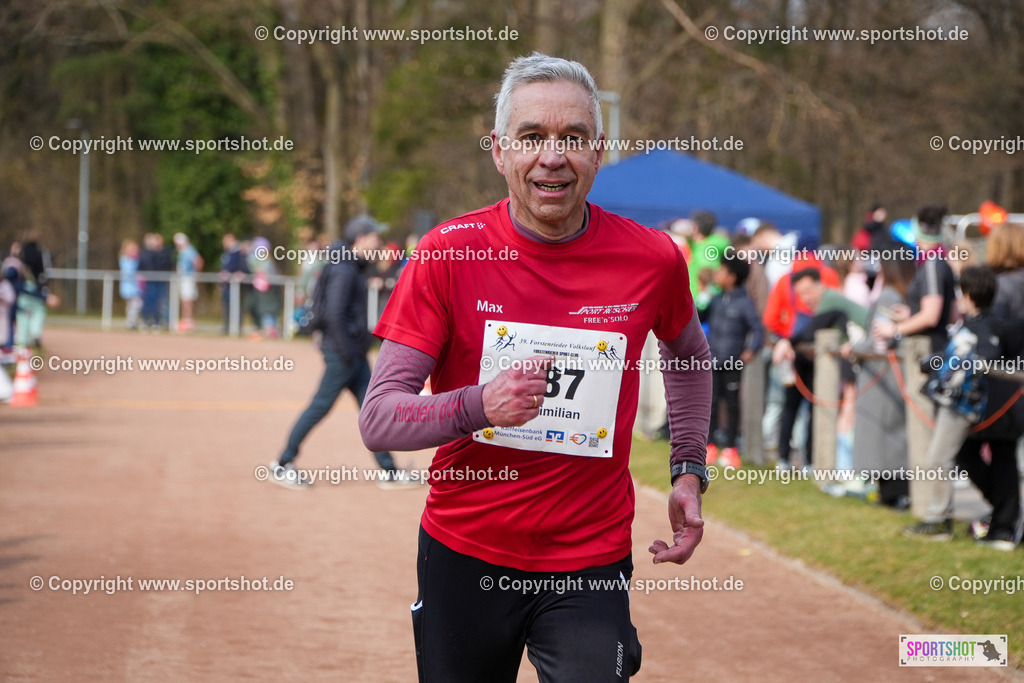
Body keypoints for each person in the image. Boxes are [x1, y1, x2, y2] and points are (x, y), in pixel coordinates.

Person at [358, 53, 711, 682]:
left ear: (599, 150)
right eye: (532, 137)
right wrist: (480, 405)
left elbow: (688, 355)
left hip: (589, 558)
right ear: (499, 151)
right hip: (468, 550)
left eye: (573, 138)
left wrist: (688, 469)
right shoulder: (447, 254)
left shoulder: (652, 258)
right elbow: (380, 419)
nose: (553, 156)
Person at [271, 216, 403, 490]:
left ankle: (389, 471)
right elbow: (334, 314)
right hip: (344, 355)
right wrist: (347, 351)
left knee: (372, 409)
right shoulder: (345, 270)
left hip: (352, 354)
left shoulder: (351, 267)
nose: (378, 242)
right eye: (375, 237)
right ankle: (283, 464)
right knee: (319, 407)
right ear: (361, 239)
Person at [903, 266, 1023, 546]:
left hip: (968, 405)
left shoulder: (982, 326)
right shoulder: (977, 323)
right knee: (967, 456)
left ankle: (938, 520)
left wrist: (945, 367)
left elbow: (983, 355)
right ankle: (1005, 517)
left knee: (939, 458)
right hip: (983, 405)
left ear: (966, 295)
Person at [847, 252, 918, 507]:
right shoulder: (906, 294)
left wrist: (854, 348)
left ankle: (891, 494)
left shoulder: (888, 295)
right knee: (894, 436)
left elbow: (877, 339)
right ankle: (893, 493)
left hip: (882, 377)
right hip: (893, 374)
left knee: (883, 436)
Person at [703, 252, 762, 468]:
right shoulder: (716, 298)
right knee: (710, 403)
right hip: (711, 359)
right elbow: (700, 315)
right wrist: (703, 297)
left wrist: (750, 350)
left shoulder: (745, 302)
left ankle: (730, 449)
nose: (718, 274)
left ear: (733, 276)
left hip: (732, 361)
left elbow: (757, 329)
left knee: (732, 403)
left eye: (722, 271)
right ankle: (708, 446)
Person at [173, 233, 203, 332]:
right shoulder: (182, 251)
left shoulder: (190, 250)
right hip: (183, 278)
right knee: (184, 299)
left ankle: (189, 321)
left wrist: (195, 274)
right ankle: (185, 319)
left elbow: (198, 261)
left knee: (188, 300)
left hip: (188, 278)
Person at [218, 232, 246, 334]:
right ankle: (227, 327)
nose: (224, 243)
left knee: (237, 306)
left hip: (235, 285)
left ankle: (237, 327)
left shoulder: (239, 252)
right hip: (226, 285)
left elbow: (242, 267)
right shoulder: (226, 253)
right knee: (227, 306)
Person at [118, 239, 142, 330]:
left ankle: (132, 321)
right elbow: (129, 271)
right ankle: (131, 322)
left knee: (136, 305)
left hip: (136, 287)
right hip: (128, 286)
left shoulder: (137, 259)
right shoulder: (124, 259)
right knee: (132, 305)